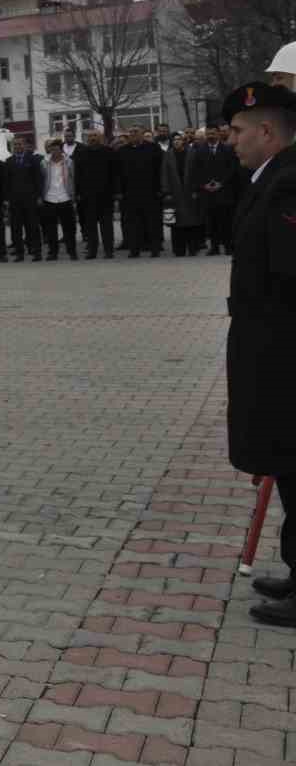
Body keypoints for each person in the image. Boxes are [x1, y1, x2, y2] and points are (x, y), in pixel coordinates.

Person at [217, 82, 296, 627]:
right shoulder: (270, 180)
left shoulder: (289, 186)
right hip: (272, 349)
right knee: (290, 468)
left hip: (284, 353)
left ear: (267, 132)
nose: (231, 141)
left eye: (239, 131)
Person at [117, 127, 164, 257]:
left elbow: (160, 170)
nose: (133, 135)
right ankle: (134, 250)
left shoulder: (153, 148)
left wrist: (160, 189)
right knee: (133, 224)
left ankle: (154, 249)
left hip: (151, 191)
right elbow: (118, 173)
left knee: (152, 222)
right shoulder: (122, 151)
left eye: (136, 132)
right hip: (130, 193)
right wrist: (119, 191)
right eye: (131, 133)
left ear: (142, 135)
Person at [194, 125, 240, 255]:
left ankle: (228, 246)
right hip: (207, 192)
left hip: (224, 191)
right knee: (211, 221)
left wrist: (221, 183)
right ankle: (214, 247)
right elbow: (196, 170)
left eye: (213, 133)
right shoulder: (199, 151)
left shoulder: (228, 149)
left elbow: (232, 168)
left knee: (226, 220)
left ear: (218, 134)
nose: (210, 136)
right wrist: (204, 184)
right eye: (208, 134)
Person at [74, 130, 119, 259]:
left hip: (106, 194)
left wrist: (116, 192)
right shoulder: (81, 153)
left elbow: (114, 173)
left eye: (95, 136)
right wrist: (78, 193)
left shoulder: (109, 152)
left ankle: (109, 250)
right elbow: (78, 175)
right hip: (88, 196)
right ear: (87, 139)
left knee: (107, 225)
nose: (92, 138)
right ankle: (92, 251)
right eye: (90, 136)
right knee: (90, 225)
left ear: (100, 138)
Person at [160, 131, 203, 256]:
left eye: (179, 139)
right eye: (174, 140)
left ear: (183, 141)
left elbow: (197, 173)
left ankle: (193, 248)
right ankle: (179, 249)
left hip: (190, 193)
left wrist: (196, 190)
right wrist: (166, 191)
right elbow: (164, 174)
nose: (177, 141)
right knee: (176, 224)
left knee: (192, 223)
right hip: (175, 193)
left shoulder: (192, 153)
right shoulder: (168, 155)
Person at [40, 137, 78, 261]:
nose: (55, 152)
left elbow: (74, 178)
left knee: (69, 228)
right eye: (52, 149)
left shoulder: (69, 162)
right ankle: (53, 252)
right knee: (51, 229)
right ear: (49, 150)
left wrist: (74, 195)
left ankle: (72, 251)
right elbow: (41, 180)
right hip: (50, 198)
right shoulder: (44, 163)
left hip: (65, 198)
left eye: (57, 149)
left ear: (61, 150)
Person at [6, 137, 44, 261]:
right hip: (15, 201)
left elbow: (38, 179)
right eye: (15, 144)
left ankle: (37, 252)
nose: (17, 146)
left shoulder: (33, 160)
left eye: (20, 144)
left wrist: (39, 196)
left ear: (25, 145)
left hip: (31, 199)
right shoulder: (9, 161)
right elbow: (6, 182)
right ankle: (19, 253)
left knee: (33, 227)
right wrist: (7, 199)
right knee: (16, 228)